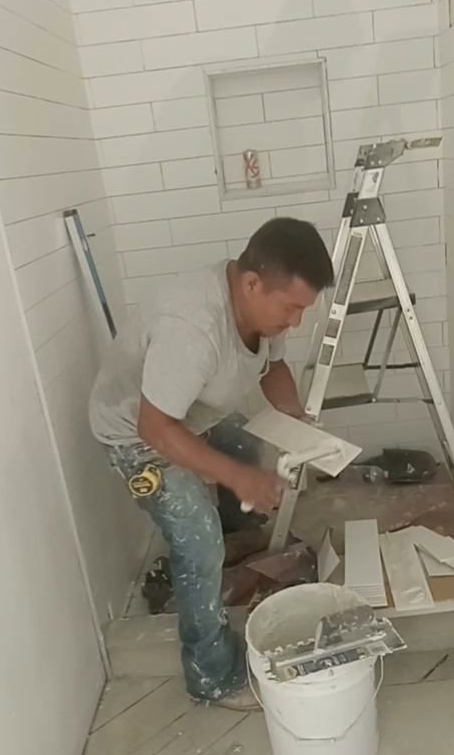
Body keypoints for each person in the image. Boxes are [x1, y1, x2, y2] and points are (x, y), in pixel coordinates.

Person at [89, 216, 334, 710]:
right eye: (291, 308)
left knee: (241, 448)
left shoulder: (259, 307)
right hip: (135, 434)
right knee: (197, 536)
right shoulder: (193, 328)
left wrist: (296, 418)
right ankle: (212, 675)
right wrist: (238, 478)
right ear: (251, 284)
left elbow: (274, 365)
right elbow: (155, 430)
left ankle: (232, 548)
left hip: (188, 414)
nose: (296, 321)